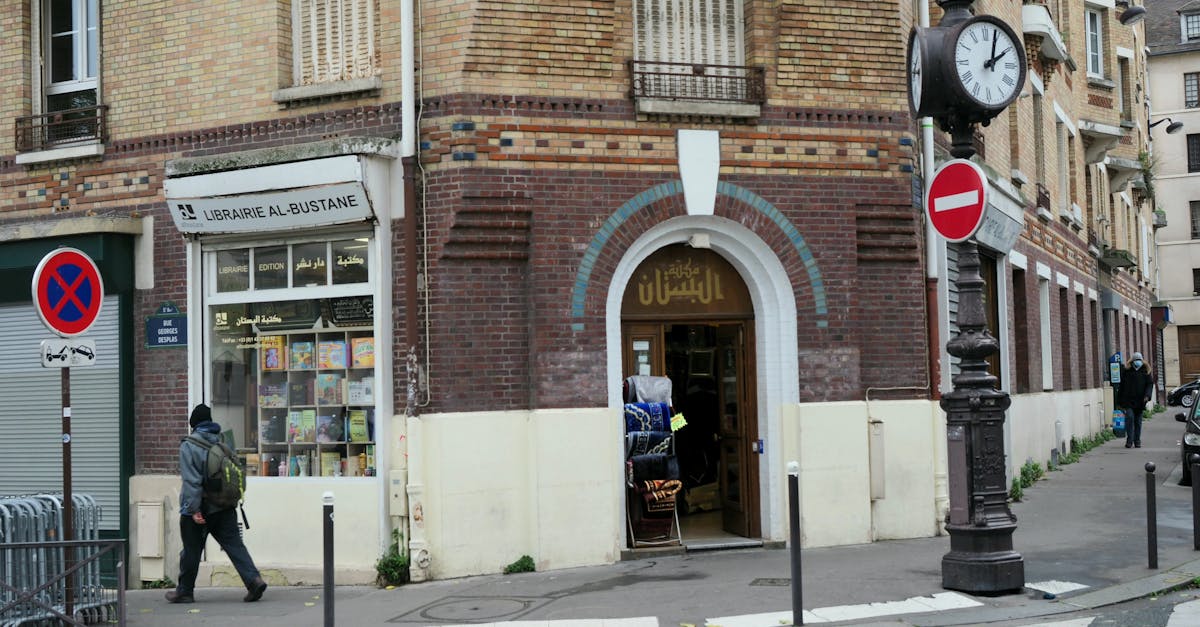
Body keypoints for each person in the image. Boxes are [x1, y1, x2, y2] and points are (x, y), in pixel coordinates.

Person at [166, 403, 267, 603]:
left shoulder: (188, 445)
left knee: (191, 550)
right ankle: (254, 580)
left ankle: (185, 591)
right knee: (235, 545)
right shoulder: (223, 440)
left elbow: (192, 481)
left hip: (200, 509)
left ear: (193, 423)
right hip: (225, 506)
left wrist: (194, 510)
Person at [1117, 352, 1154, 449]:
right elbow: (1122, 386)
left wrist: (1147, 395)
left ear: (1142, 361)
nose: (1138, 362)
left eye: (1139, 360)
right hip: (1128, 401)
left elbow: (1149, 384)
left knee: (1138, 422)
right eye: (1136, 360)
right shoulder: (1127, 371)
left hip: (1140, 401)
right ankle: (1129, 440)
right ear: (1132, 361)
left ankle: (1137, 440)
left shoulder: (1145, 371)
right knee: (1130, 418)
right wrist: (1119, 401)